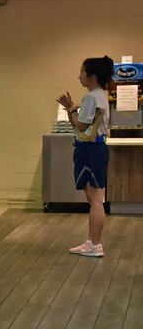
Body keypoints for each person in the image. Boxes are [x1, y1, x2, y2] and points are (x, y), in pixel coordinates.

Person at [58, 56, 114, 258]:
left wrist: (72, 108)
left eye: (82, 72)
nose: (79, 76)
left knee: (96, 200)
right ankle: (91, 241)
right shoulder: (101, 95)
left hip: (90, 150)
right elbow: (80, 125)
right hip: (95, 148)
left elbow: (80, 126)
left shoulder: (91, 98)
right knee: (94, 199)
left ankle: (96, 245)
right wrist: (72, 109)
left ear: (93, 76)